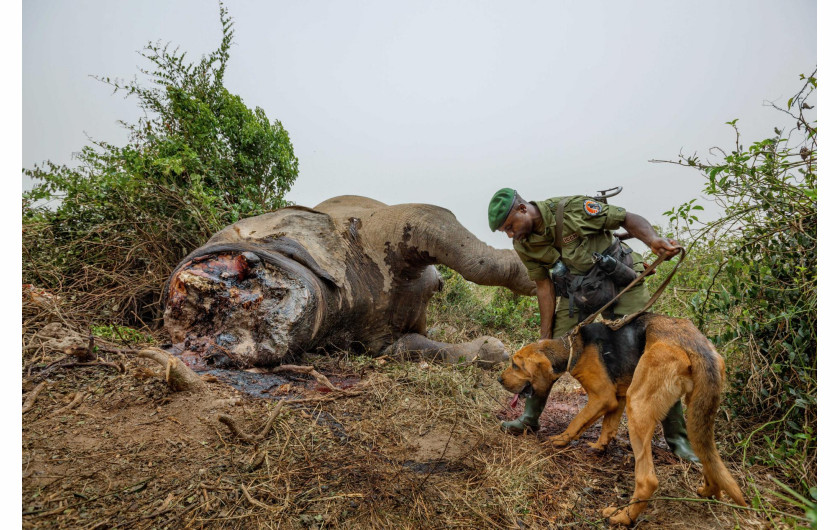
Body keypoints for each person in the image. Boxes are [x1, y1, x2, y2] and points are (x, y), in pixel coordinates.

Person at [488, 187, 698, 463]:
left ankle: (678, 440)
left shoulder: (572, 209)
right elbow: (543, 286)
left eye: (510, 226)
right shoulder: (524, 244)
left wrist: (653, 240)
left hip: (620, 283)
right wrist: (545, 335)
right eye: (505, 231)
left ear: (523, 209)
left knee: (652, 356)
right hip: (578, 293)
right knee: (548, 352)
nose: (511, 234)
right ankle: (529, 418)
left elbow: (626, 218)